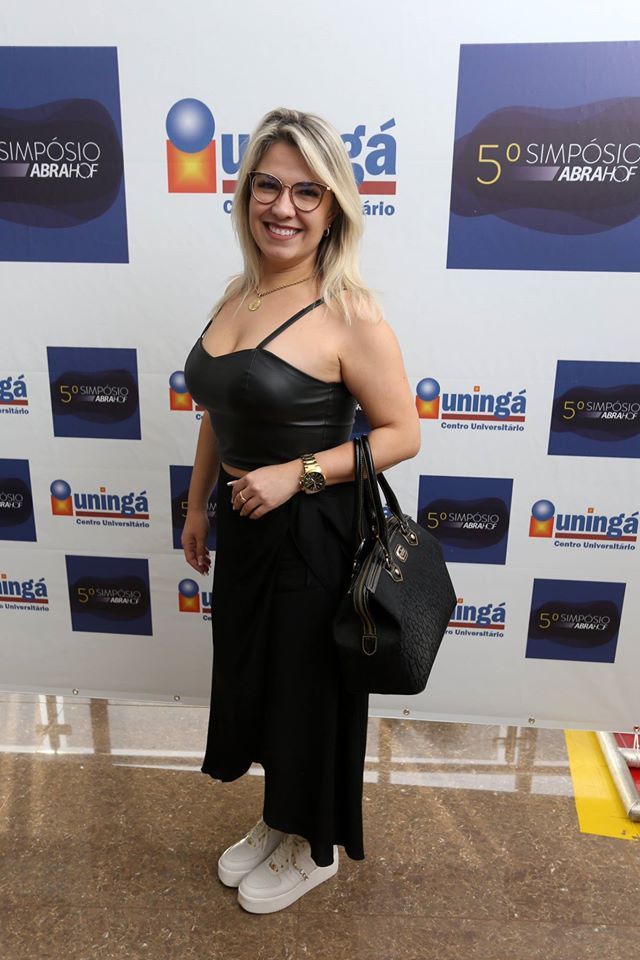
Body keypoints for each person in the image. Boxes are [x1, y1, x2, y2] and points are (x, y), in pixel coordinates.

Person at [181, 107, 420, 914]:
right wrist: (197, 507)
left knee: (308, 693)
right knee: (258, 683)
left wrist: (298, 473)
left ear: (333, 206)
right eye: (268, 186)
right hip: (244, 526)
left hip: (314, 532)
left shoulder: (350, 312)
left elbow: (402, 433)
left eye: (306, 192)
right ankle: (279, 815)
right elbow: (219, 411)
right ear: (246, 193)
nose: (283, 207)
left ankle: (313, 847)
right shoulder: (239, 292)